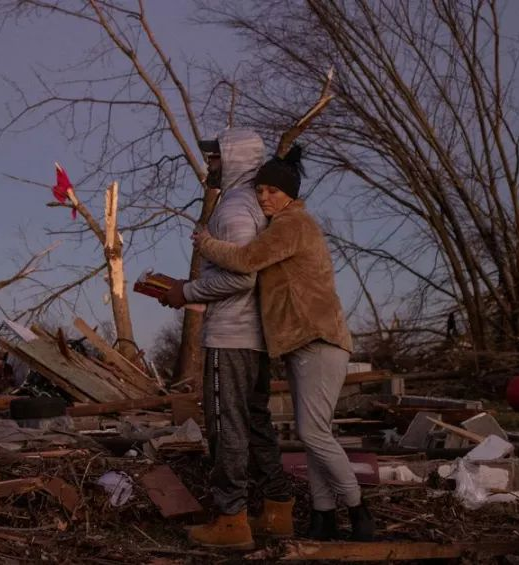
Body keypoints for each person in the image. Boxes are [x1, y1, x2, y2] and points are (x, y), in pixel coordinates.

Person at [192, 146, 377, 542]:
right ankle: (324, 517)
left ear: (290, 194)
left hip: (319, 340)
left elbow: (244, 262)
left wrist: (204, 241)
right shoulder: (282, 223)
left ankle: (359, 509)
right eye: (260, 191)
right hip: (300, 344)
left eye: (273, 192)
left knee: (313, 435)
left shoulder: (293, 225)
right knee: (314, 433)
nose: (264, 199)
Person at [160, 128, 292, 550]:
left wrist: (187, 292)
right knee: (255, 422)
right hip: (254, 336)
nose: (209, 166)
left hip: (231, 335)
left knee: (226, 425)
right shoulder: (255, 205)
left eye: (215, 158)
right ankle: (277, 510)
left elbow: (241, 275)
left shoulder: (234, 209)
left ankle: (231, 519)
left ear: (233, 159)